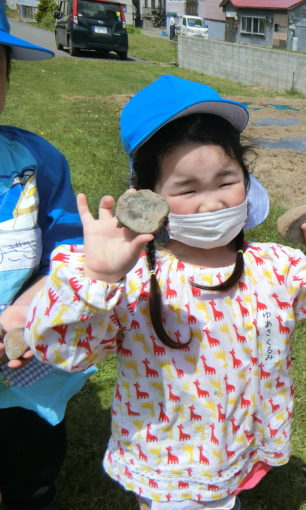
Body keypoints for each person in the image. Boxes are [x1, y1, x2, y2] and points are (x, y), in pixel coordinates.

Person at [25, 74, 306, 510]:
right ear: (150, 198)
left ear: (247, 182)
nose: (212, 204)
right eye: (187, 189)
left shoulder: (274, 266)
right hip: (168, 459)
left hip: (237, 441)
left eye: (226, 181)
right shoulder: (133, 278)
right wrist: (97, 278)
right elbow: (64, 351)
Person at [0, 6, 93, 510]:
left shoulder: (35, 163)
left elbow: (69, 248)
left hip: (21, 360)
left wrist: (25, 308)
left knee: (30, 466)